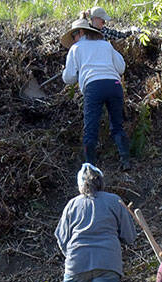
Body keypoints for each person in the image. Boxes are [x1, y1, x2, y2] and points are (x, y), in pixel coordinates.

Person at [61, 18, 129, 170]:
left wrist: (67, 71)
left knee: (91, 128)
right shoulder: (106, 45)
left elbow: (69, 78)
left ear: (81, 32)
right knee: (117, 125)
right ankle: (125, 160)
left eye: (74, 35)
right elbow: (121, 67)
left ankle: (90, 167)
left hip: (94, 87)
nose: (73, 39)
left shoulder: (76, 48)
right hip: (114, 85)